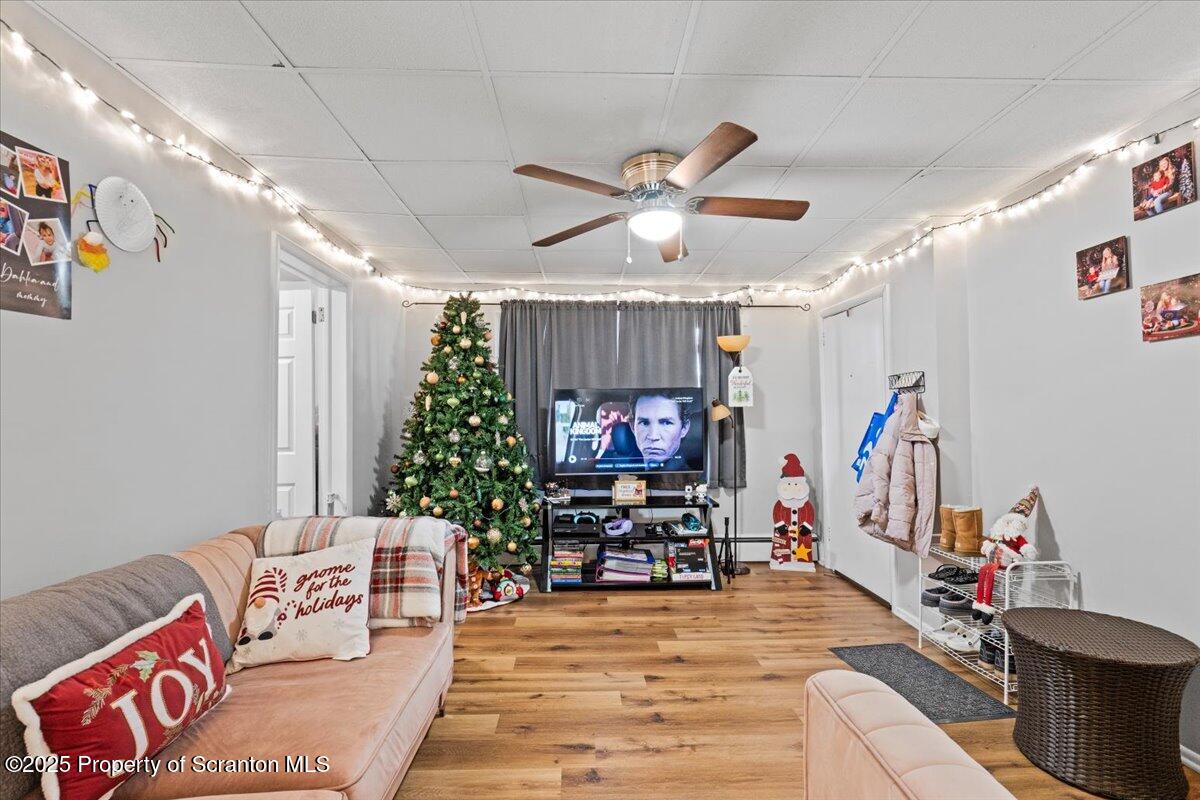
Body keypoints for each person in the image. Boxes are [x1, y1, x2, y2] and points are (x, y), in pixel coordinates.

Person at [631, 393, 692, 470]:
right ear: (632, 427)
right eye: (644, 423)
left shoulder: (691, 477)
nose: (653, 437)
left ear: (684, 428)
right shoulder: (627, 474)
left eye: (666, 423)